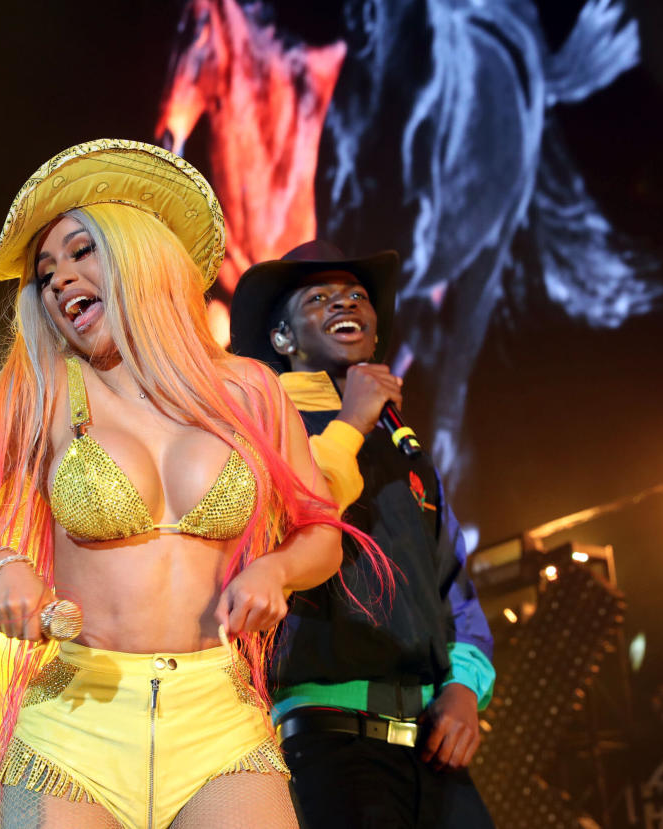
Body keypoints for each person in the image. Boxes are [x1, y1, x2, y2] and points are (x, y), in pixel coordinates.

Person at [0, 141, 390, 829]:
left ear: (139, 251)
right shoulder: (37, 391)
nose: (60, 279)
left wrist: (276, 567)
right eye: (45, 271)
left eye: (81, 250)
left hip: (218, 717)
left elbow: (321, 533)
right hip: (74, 724)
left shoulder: (248, 389)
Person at [229, 241, 496, 828]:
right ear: (282, 340)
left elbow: (455, 588)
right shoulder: (262, 427)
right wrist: (350, 422)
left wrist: (466, 688)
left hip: (430, 746)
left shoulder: (404, 449)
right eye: (318, 297)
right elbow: (292, 520)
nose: (344, 303)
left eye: (355, 295)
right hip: (328, 742)